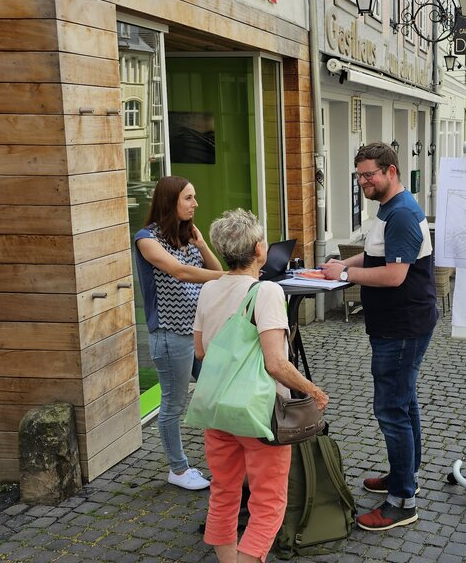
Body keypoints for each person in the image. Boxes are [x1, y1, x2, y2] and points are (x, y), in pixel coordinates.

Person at [193, 209, 329, 563]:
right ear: (259, 250)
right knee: (268, 500)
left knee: (224, 492)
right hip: (260, 414)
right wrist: (313, 391)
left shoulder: (208, 289)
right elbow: (276, 364)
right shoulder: (266, 291)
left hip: (218, 409)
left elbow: (201, 351)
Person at [321, 143, 437, 532]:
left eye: (369, 174)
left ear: (390, 171)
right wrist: (342, 263)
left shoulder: (401, 213)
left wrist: (344, 276)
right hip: (399, 324)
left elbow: (393, 275)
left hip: (402, 327)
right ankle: (404, 475)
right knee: (405, 405)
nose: (363, 181)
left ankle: (402, 500)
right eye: (359, 176)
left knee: (391, 409)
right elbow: (376, 258)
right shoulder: (390, 209)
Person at [134, 176, 226, 490]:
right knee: (173, 405)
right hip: (170, 335)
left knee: (217, 391)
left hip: (198, 331)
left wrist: (201, 244)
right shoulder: (146, 239)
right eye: (189, 198)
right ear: (171, 200)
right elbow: (180, 271)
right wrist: (231, 277)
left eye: (194, 197)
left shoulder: (186, 237)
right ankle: (178, 469)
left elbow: (211, 271)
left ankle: (225, 458)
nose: (195, 204)